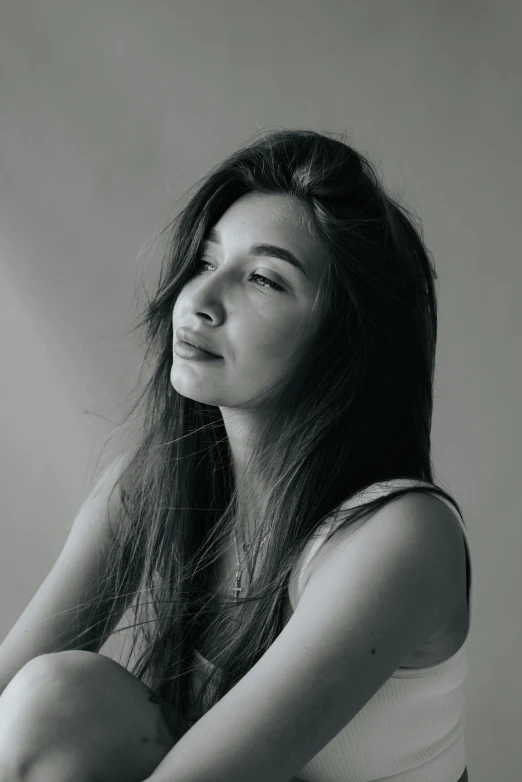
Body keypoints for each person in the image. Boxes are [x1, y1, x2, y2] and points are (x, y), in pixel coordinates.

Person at [0, 129, 471, 782]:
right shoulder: (152, 485)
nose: (200, 300)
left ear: (344, 338)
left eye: (262, 279)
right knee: (56, 701)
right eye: (206, 261)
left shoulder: (400, 536)